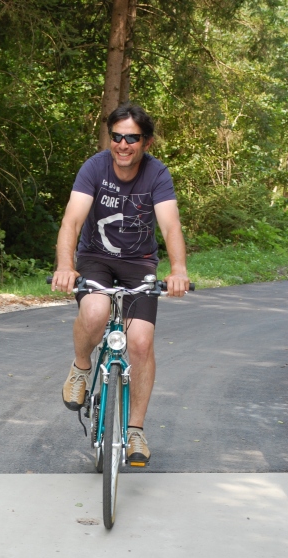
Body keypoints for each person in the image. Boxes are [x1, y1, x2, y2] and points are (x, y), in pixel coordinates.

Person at [51, 102, 190, 467]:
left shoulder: (157, 174)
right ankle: (82, 368)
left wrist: (178, 269)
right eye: (117, 137)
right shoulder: (94, 168)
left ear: (147, 142)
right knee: (95, 312)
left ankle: (135, 431)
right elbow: (71, 221)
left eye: (132, 138)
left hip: (139, 263)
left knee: (141, 342)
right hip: (95, 258)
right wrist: (65, 266)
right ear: (110, 138)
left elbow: (170, 225)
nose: (123, 145)